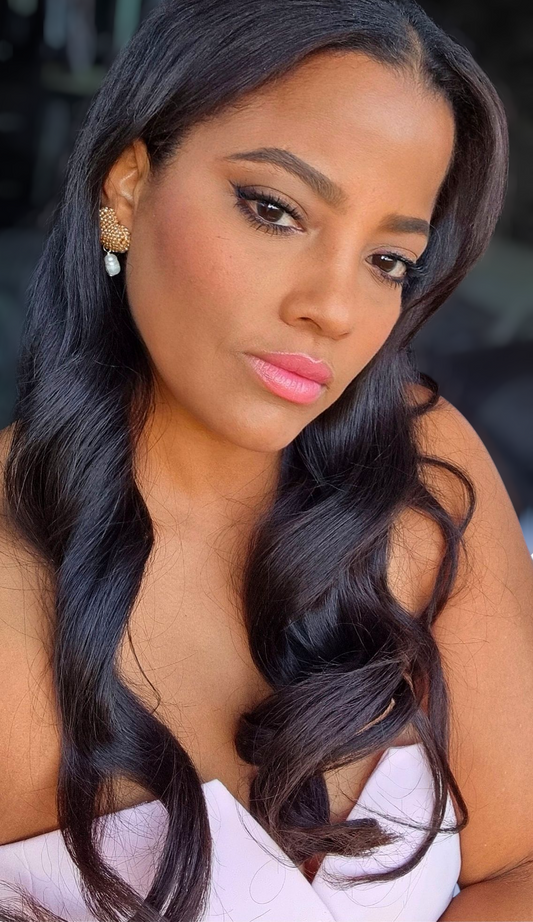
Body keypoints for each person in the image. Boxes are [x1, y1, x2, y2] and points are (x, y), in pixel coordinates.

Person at [0, 0, 531, 919]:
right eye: (274, 210)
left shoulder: (420, 468)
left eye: (388, 260)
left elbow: (517, 865)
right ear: (127, 188)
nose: (334, 308)